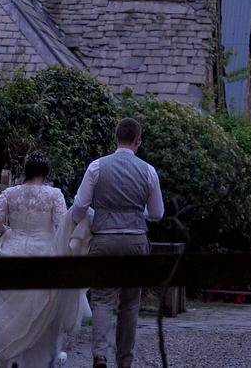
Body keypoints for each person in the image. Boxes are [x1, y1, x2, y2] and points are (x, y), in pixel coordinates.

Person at [0, 152, 90, 368]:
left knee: (10, 303)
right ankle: (36, 354)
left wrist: (6, 232)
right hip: (44, 249)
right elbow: (61, 225)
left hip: (13, 248)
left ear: (26, 171)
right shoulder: (54, 195)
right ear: (45, 172)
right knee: (41, 304)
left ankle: (10, 352)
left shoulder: (10, 193)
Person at [68, 118, 164, 368]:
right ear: (138, 141)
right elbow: (157, 213)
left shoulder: (97, 167)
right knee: (130, 303)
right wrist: (135, 212)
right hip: (135, 240)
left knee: (102, 298)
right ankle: (125, 361)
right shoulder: (148, 171)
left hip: (104, 239)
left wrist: (75, 226)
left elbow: (79, 206)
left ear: (115, 138)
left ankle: (100, 355)